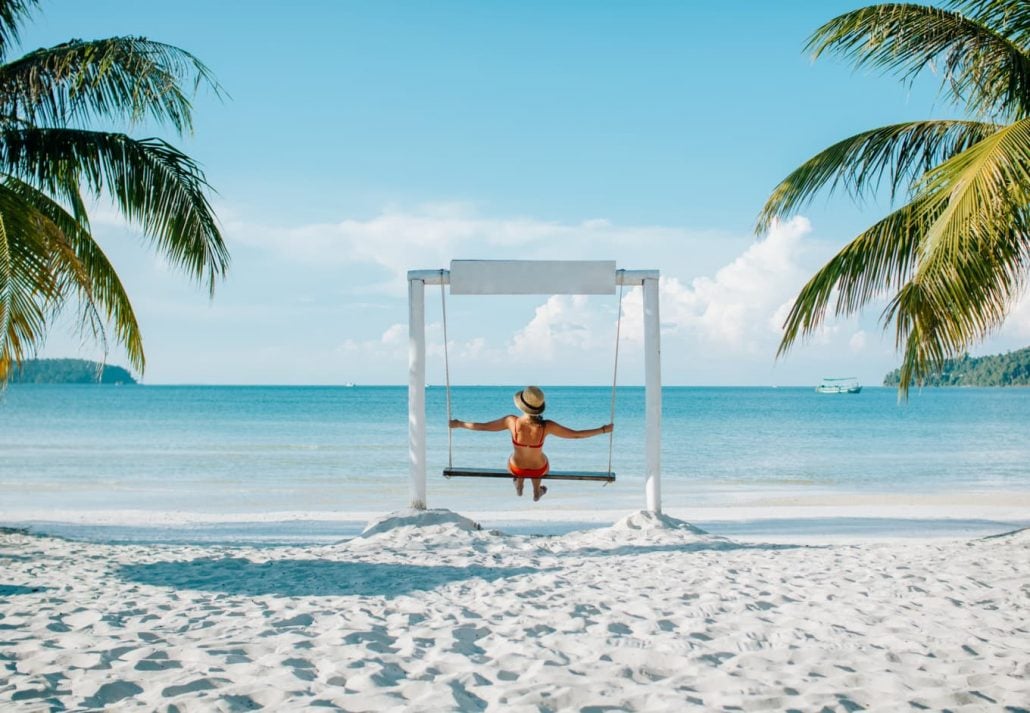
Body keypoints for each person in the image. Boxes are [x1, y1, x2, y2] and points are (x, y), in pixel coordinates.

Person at [449, 385, 613, 502]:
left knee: (515, 459)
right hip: (538, 469)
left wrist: (459, 424)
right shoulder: (546, 426)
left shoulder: (511, 422)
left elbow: (482, 427)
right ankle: (536, 491)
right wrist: (603, 429)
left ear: (522, 405)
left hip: (516, 467)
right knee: (540, 460)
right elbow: (576, 435)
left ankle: (519, 484)